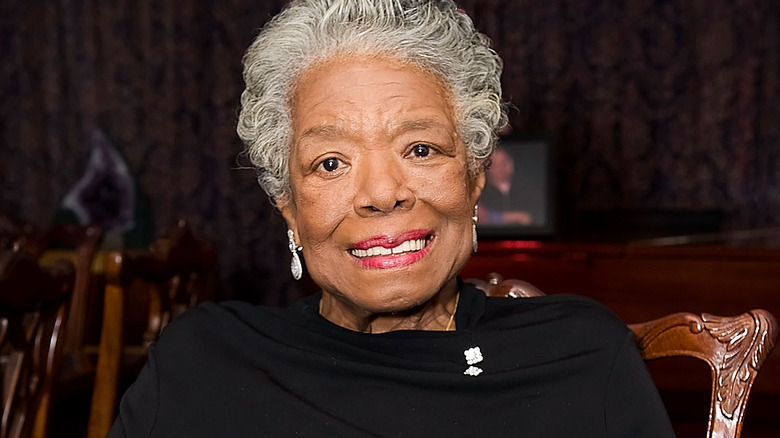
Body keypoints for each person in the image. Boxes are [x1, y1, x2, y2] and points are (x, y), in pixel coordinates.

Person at [108, 1, 675, 436]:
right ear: (288, 204)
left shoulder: (579, 354)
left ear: (474, 177)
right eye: (331, 163)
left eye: (420, 149)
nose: (382, 194)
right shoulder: (203, 363)